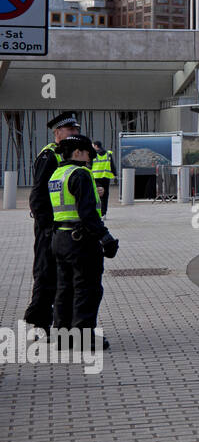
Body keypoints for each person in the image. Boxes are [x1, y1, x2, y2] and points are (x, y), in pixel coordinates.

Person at [49, 133, 118, 350]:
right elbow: (88, 213)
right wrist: (105, 237)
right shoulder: (80, 174)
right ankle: (83, 338)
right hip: (80, 241)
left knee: (64, 289)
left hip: (60, 238)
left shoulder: (57, 174)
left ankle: (62, 335)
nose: (91, 157)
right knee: (87, 289)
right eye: (88, 152)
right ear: (78, 152)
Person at [23, 111, 81, 339]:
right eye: (70, 130)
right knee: (46, 273)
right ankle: (40, 322)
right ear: (58, 133)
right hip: (50, 227)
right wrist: (46, 227)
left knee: (62, 276)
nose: (75, 133)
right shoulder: (50, 156)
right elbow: (38, 195)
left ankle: (61, 321)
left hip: (62, 227)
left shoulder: (68, 155)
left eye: (76, 129)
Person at [90, 140, 116, 217]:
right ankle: (103, 213)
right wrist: (115, 175)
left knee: (96, 195)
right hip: (106, 177)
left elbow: (89, 166)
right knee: (105, 195)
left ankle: (97, 212)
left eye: (93, 145)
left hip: (96, 177)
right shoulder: (108, 154)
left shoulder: (93, 154)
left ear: (96, 146)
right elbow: (112, 165)